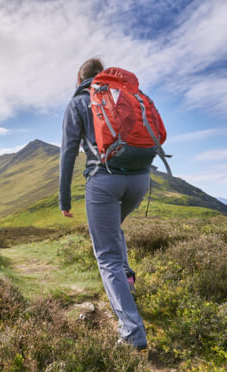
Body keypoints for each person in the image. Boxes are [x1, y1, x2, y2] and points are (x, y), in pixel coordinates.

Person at [59, 58, 150, 352]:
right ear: (102, 76)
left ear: (79, 79)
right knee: (113, 233)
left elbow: (69, 152)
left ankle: (131, 334)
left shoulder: (78, 104)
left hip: (104, 181)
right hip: (140, 179)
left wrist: (64, 199)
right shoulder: (121, 96)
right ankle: (126, 276)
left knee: (106, 255)